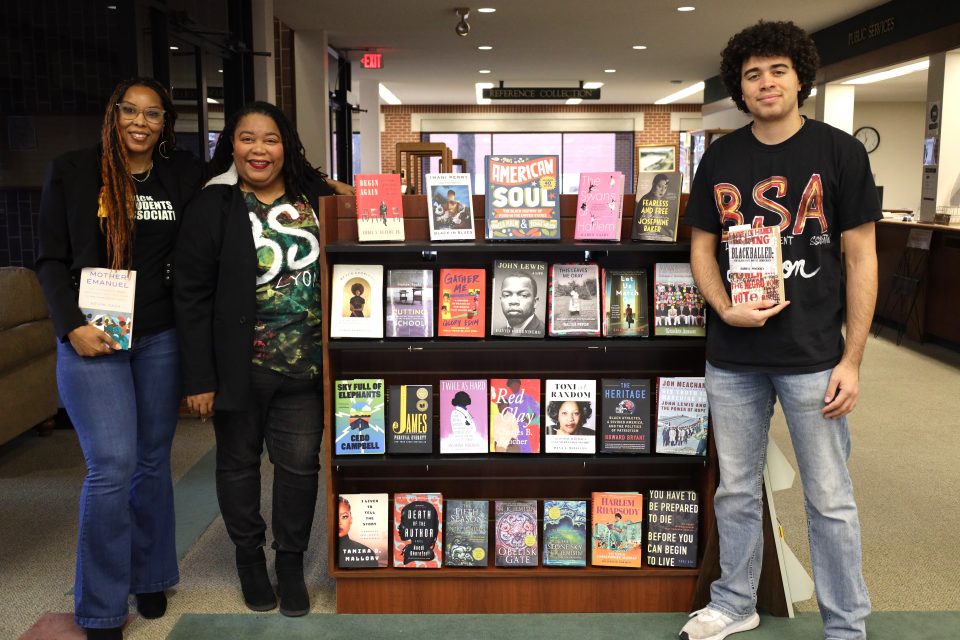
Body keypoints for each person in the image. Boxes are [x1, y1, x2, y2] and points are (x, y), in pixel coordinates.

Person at [679, 20, 878, 640]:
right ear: (741, 88)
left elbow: (861, 258)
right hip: (733, 356)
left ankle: (846, 624)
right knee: (735, 491)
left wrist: (853, 360)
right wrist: (723, 307)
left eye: (778, 70)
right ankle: (735, 603)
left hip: (816, 356)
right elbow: (702, 249)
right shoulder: (722, 156)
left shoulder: (840, 152)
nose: (766, 83)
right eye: (752, 74)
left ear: (800, 78)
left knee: (830, 499)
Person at [35, 77, 203, 640]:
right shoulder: (73, 171)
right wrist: (71, 327)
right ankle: (103, 607)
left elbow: (253, 166)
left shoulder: (179, 174)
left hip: (159, 337)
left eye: (153, 114)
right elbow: (50, 260)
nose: (140, 121)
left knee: (154, 460)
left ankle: (151, 572)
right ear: (112, 114)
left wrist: (328, 184)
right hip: (94, 337)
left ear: (165, 125)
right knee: (111, 467)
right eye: (129, 110)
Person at [174, 101, 353, 618]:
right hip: (238, 367)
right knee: (237, 465)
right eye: (247, 138)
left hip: (306, 367)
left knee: (299, 467)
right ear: (231, 146)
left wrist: (343, 187)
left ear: (286, 146)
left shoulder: (314, 199)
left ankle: (290, 562)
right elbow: (190, 295)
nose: (259, 149)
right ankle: (249, 559)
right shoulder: (214, 205)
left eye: (270, 139)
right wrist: (199, 377)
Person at [498, 272, 544, 336]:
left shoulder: (543, 332)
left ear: (535, 302)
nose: (513, 301)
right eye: (507, 295)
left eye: (523, 295)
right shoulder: (497, 333)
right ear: (501, 300)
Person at [337, 497, 378, 568]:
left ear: (351, 520)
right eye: (335, 516)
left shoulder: (367, 553)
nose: (339, 522)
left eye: (344, 516)